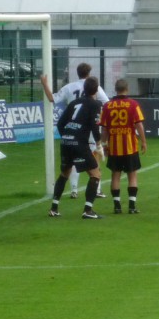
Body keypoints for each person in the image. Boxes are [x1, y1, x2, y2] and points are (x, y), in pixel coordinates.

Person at [41, 63, 110, 199]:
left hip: (72, 128)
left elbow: (52, 98)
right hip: (89, 126)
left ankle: (74, 189)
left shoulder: (69, 87)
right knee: (94, 156)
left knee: (72, 160)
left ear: (77, 73)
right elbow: (107, 103)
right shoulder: (95, 86)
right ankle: (97, 189)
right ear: (89, 73)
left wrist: (44, 83)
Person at [50, 76, 104, 219]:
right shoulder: (95, 104)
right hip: (80, 143)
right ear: (96, 90)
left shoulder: (74, 102)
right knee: (96, 174)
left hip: (66, 141)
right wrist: (99, 144)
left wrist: (67, 136)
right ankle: (88, 210)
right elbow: (94, 126)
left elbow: (60, 123)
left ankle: (54, 208)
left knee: (64, 173)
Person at [100, 78, 147, 214]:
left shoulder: (107, 106)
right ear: (127, 89)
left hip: (114, 147)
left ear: (115, 89)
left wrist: (104, 144)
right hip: (130, 146)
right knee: (132, 175)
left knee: (115, 175)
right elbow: (139, 124)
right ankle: (132, 206)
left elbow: (104, 129)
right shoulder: (133, 104)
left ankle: (117, 206)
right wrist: (143, 141)